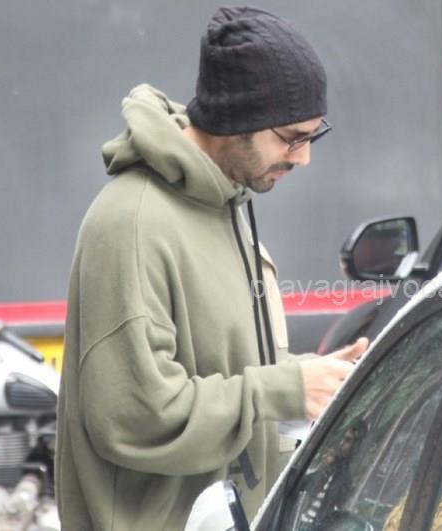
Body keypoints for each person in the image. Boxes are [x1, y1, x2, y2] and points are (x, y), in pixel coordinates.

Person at [55, 7, 368, 530]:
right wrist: (281, 389)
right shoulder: (132, 223)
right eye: (291, 137)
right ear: (236, 120)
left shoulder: (226, 202)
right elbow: (136, 415)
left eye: (313, 136)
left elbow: (230, 373)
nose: (303, 158)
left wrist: (309, 381)